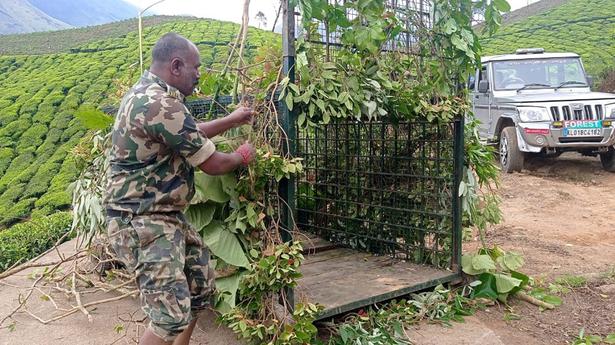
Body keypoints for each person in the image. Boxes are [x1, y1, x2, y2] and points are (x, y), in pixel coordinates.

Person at [104, 32, 256, 345]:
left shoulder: (152, 95)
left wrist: (233, 119)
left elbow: (186, 132)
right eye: (195, 67)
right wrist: (242, 156)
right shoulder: (160, 103)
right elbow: (212, 164)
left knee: (199, 288)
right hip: (140, 219)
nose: (199, 74)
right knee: (168, 317)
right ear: (176, 66)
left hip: (162, 214)